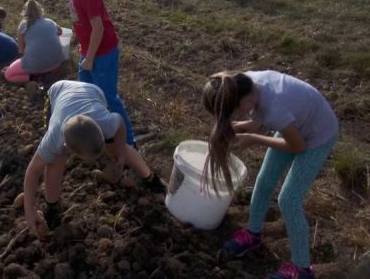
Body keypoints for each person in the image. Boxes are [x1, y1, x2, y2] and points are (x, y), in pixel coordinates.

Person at [201, 70, 338, 279]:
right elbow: (257, 116)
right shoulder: (242, 83)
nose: (236, 117)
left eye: (235, 113)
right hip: (294, 124)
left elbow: (297, 146)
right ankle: (253, 235)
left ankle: (302, 268)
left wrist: (254, 138)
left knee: (289, 200)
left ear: (241, 102)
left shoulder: (276, 109)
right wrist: (239, 128)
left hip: (317, 136)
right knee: (264, 182)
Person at [23, 80, 167, 238]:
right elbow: (33, 171)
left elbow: (120, 124)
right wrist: (29, 210)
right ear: (69, 147)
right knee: (56, 160)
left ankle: (152, 180)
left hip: (93, 92)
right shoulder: (54, 139)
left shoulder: (106, 123)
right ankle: (52, 207)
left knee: (117, 147)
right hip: (58, 91)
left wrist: (119, 154)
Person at [46, 0, 136, 146]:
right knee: (85, 94)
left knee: (108, 97)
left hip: (102, 52)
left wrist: (90, 58)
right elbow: (80, 21)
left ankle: (129, 142)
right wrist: (81, 47)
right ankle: (95, 134)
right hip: (87, 51)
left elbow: (98, 28)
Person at [4, 0, 64, 84]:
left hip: (37, 66)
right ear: (40, 10)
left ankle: (36, 78)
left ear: (25, 12)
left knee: (8, 74)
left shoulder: (23, 25)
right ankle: (47, 73)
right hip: (56, 64)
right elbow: (60, 32)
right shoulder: (50, 22)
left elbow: (21, 52)